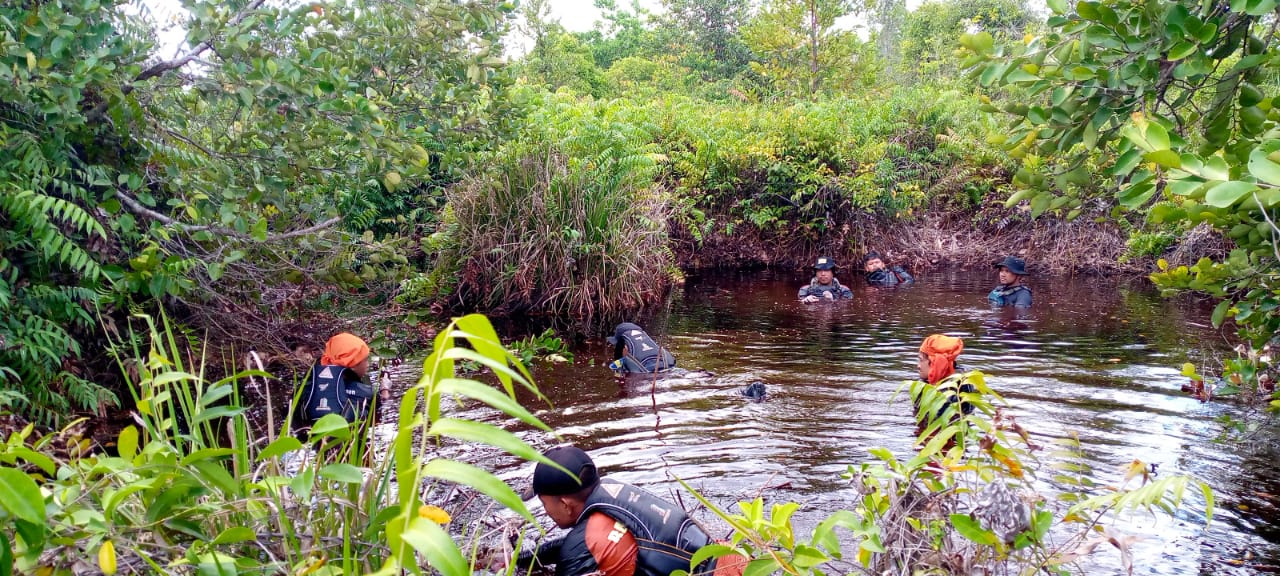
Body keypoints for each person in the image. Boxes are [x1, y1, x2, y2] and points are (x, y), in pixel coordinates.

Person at [515, 446, 747, 576]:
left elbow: (578, 547)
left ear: (565, 504)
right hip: (738, 560)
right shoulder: (613, 492)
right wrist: (521, 559)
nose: (546, 512)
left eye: (545, 504)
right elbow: (572, 544)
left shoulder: (583, 544)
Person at [295, 333, 379, 428]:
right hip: (349, 440)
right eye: (365, 360)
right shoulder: (367, 393)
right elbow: (376, 419)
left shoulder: (303, 389)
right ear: (354, 365)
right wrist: (385, 391)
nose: (368, 364)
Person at [913, 334, 976, 427]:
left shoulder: (952, 392)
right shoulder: (925, 383)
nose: (918, 366)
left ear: (934, 363)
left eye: (921, 360)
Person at [607, 323, 676, 375]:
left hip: (643, 377)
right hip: (669, 372)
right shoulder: (665, 355)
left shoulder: (621, 362)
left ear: (625, 347)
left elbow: (613, 368)